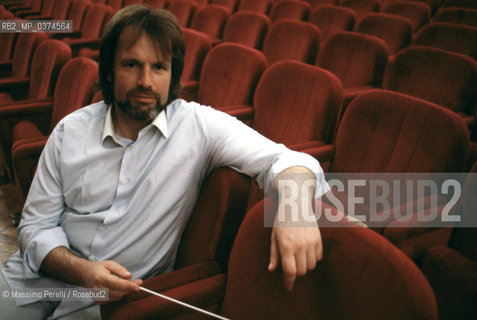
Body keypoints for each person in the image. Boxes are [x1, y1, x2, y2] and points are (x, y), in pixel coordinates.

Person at [0, 5, 329, 319]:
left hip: (106, 304)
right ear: (110, 72)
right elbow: (34, 226)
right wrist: (82, 270)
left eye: (159, 67)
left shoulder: (198, 126)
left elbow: (287, 160)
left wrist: (294, 211)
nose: (146, 81)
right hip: (34, 279)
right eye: (131, 65)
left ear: (172, 76)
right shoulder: (69, 132)